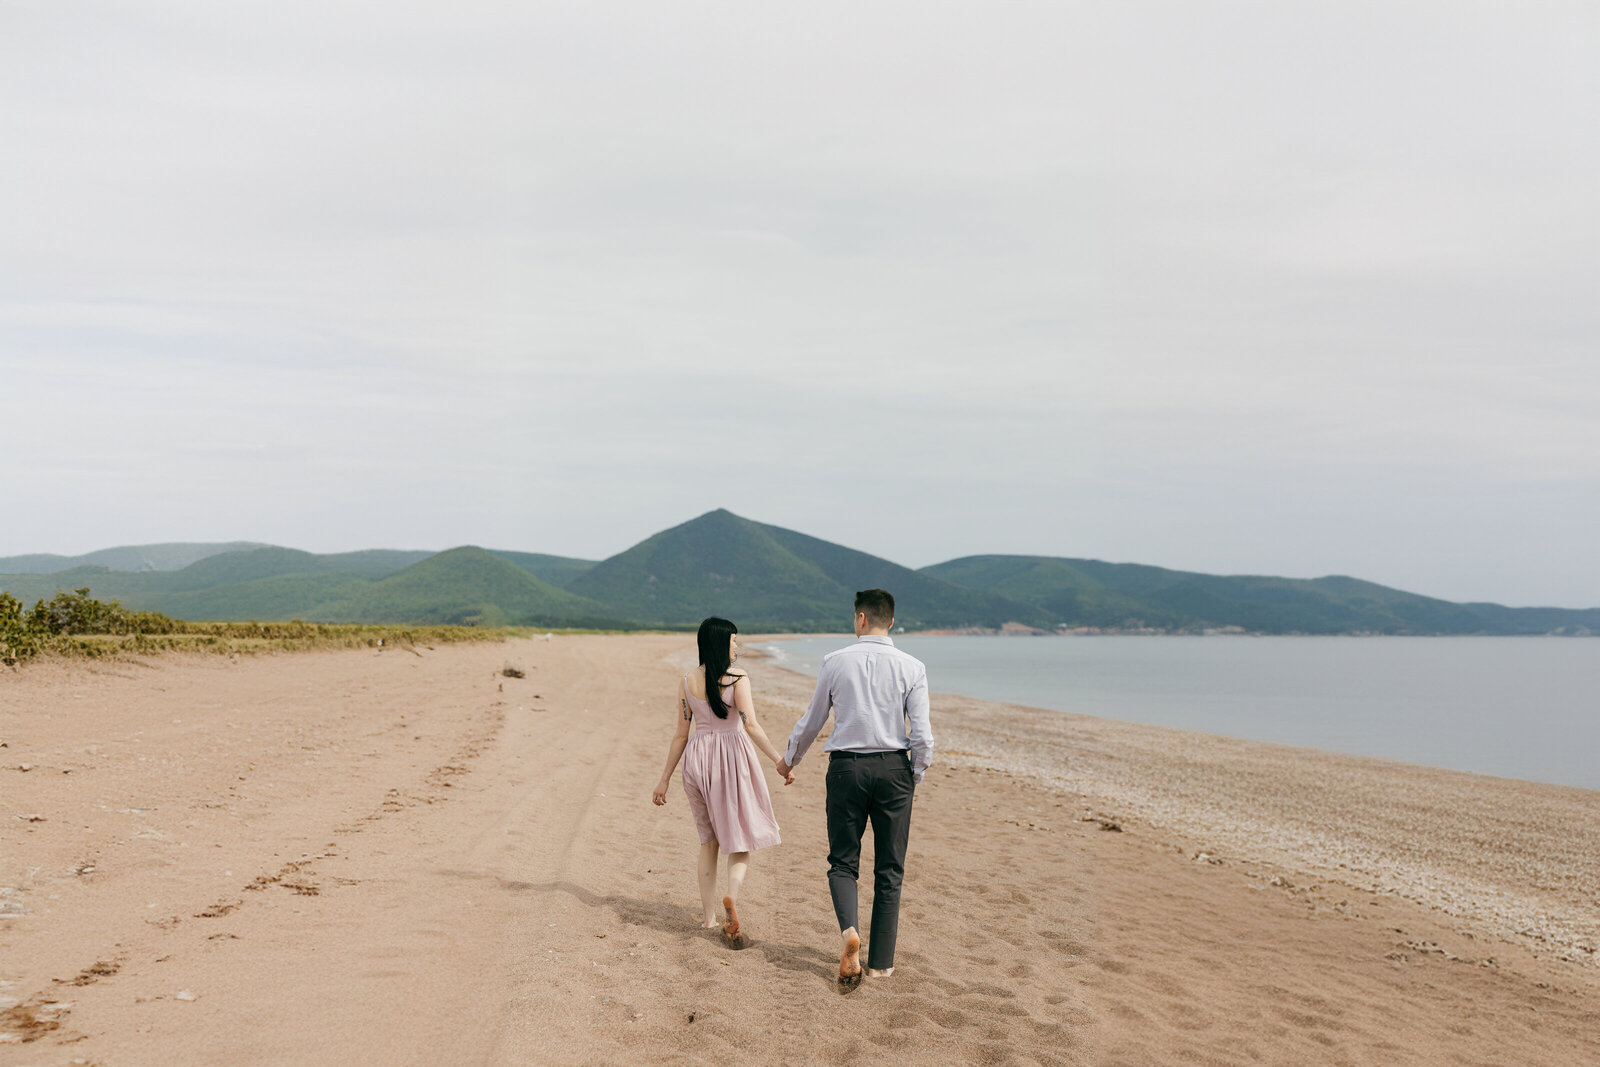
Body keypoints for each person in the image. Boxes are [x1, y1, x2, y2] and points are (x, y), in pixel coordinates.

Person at [777, 589, 932, 989]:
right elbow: (923, 736)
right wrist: (913, 774)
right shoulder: (913, 667)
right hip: (894, 770)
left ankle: (849, 932)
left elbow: (812, 720)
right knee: (890, 870)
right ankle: (881, 965)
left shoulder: (834, 662)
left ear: (860, 619)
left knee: (843, 863)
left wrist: (789, 759)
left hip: (846, 768)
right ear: (891, 621)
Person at [652, 616, 792, 942]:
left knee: (708, 841)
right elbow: (751, 725)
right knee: (740, 838)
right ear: (720, 643)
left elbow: (679, 735)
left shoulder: (687, 681)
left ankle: (708, 918)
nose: (737, 646)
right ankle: (732, 895)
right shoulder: (737, 678)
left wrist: (664, 779)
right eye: (733, 641)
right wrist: (778, 761)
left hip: (696, 761)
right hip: (730, 757)